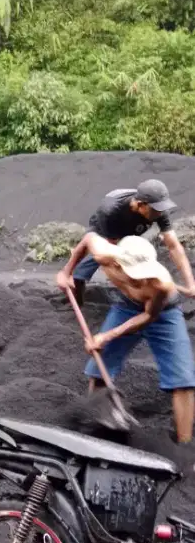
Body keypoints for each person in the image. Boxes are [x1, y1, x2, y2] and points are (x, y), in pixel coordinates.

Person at [57, 233, 195, 443]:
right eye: (136, 274)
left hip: (163, 312)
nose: (143, 279)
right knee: (99, 369)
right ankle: (96, 426)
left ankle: (184, 445)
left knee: (182, 379)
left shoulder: (161, 284)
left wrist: (107, 335)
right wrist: (67, 272)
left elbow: (148, 316)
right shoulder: (104, 255)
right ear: (118, 265)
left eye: (145, 273)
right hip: (126, 307)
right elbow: (89, 238)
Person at [59, 179, 195, 307]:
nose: (160, 214)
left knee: (140, 263)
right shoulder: (110, 211)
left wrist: (191, 284)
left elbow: (174, 246)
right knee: (88, 266)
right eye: (156, 210)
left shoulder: (157, 210)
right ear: (140, 204)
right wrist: (67, 272)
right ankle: (77, 299)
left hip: (132, 230)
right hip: (107, 229)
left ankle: (142, 296)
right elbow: (109, 249)